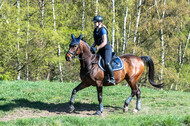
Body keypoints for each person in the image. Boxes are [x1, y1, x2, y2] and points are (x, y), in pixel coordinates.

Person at [90, 15, 115, 85]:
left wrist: (96, 48)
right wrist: (91, 47)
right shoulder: (96, 30)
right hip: (101, 49)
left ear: (99, 22)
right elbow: (96, 41)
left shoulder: (103, 30)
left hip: (106, 49)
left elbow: (104, 42)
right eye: (94, 22)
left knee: (107, 63)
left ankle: (112, 79)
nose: (94, 23)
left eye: (95, 22)